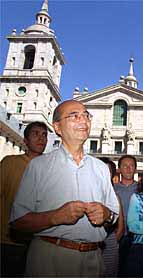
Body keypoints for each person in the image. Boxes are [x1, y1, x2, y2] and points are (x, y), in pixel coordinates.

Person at [10, 100, 119, 277]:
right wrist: (55, 217)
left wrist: (106, 214)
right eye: (74, 116)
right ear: (57, 127)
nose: (83, 120)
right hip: (50, 257)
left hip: (93, 259)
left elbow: (114, 215)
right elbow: (18, 221)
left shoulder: (101, 168)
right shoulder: (38, 166)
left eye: (86, 115)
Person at [1, 121, 48, 277]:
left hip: (40, 243)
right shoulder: (9, 163)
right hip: (9, 241)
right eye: (35, 134)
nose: (41, 138)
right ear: (25, 140)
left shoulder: (51, 168)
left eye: (44, 135)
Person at [99, 157, 124, 277]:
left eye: (107, 171)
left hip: (109, 242)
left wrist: (113, 241)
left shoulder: (115, 196)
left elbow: (121, 226)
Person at [114, 155, 138, 276]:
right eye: (125, 166)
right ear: (119, 169)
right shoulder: (112, 189)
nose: (128, 169)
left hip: (137, 236)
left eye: (131, 166)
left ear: (135, 169)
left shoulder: (142, 189)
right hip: (118, 236)